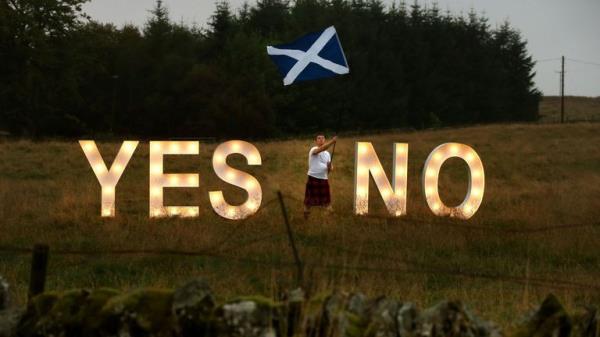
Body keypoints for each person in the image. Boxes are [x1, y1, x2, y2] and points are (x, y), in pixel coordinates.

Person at [303, 134, 337, 219]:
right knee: (309, 202)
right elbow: (322, 148)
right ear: (316, 141)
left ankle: (330, 217)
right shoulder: (313, 149)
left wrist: (330, 167)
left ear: (325, 140)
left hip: (324, 179)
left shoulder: (328, 154)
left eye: (322, 138)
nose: (321, 139)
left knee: (326, 201)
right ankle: (306, 215)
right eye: (319, 138)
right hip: (313, 178)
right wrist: (332, 142)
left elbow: (329, 169)